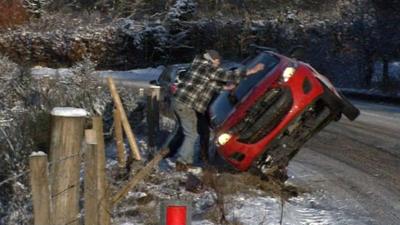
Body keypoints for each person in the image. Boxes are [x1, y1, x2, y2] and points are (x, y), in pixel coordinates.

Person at [171, 50, 264, 170]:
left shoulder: (199, 66)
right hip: (185, 104)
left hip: (182, 103)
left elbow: (209, 84)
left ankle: (183, 159)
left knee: (189, 132)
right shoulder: (207, 67)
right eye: (217, 61)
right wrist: (252, 70)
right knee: (191, 134)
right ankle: (182, 162)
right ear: (212, 59)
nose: (218, 64)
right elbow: (226, 75)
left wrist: (227, 87)